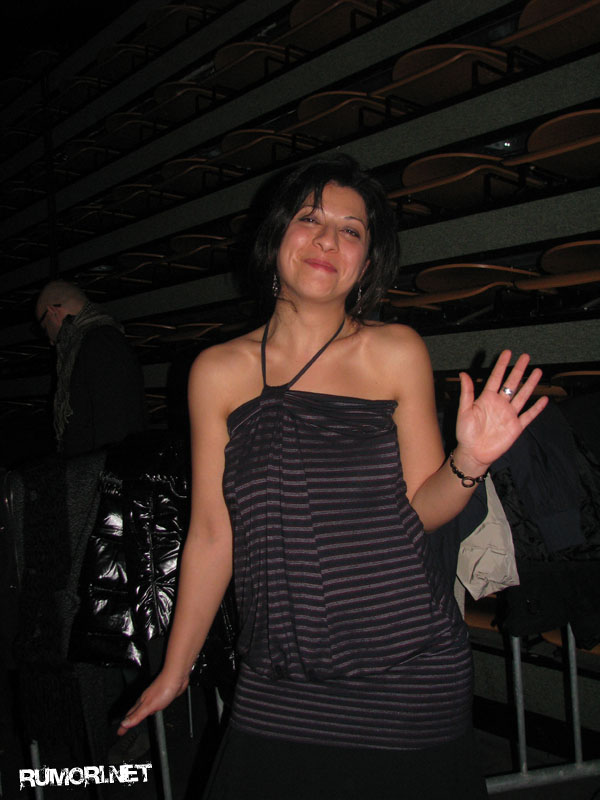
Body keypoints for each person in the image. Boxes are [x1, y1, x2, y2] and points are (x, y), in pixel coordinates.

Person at [118, 154, 547, 799]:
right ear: (275, 237)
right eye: (310, 219)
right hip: (278, 674)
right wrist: (176, 669)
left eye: (351, 230)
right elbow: (211, 533)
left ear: (366, 262)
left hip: (407, 671)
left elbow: (423, 510)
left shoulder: (394, 351)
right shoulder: (216, 372)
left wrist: (471, 460)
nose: (327, 240)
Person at [35, 280, 146, 457]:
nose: (50, 340)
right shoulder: (93, 342)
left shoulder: (100, 342)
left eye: (44, 327)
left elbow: (115, 426)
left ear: (53, 312)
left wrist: (96, 472)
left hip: (97, 468)